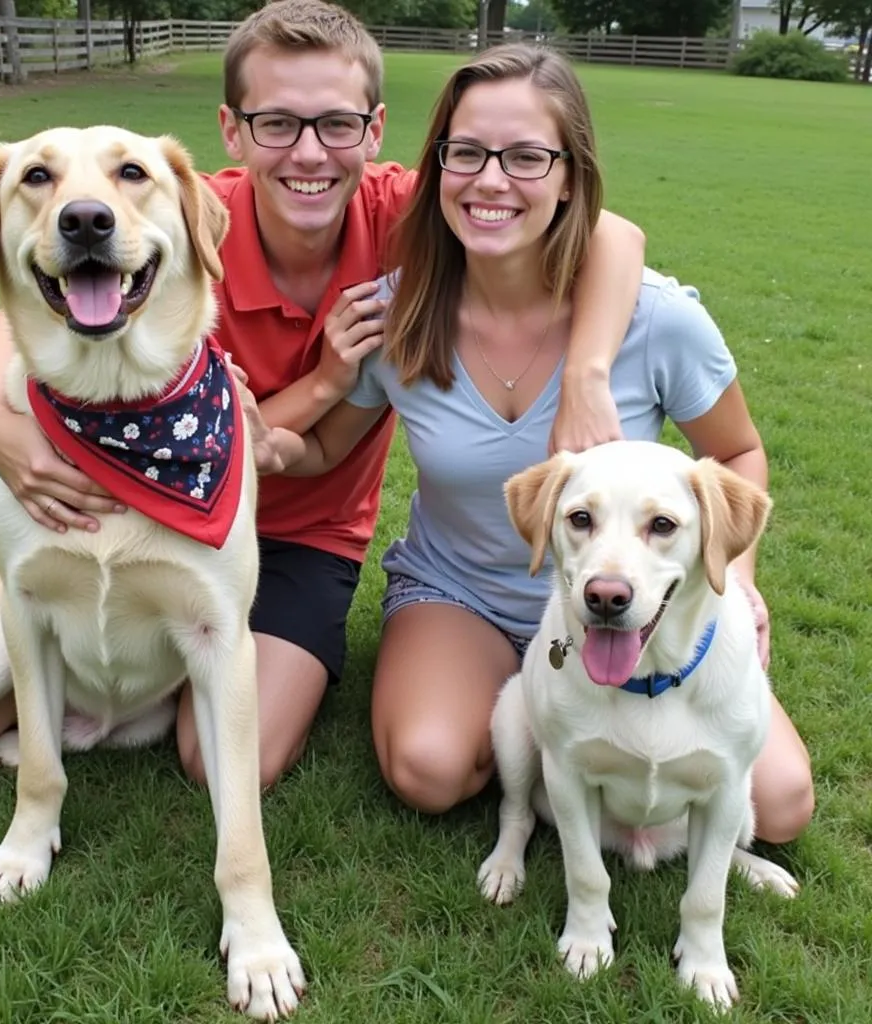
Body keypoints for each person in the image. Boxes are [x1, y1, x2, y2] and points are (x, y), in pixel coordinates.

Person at [0, 1, 647, 789]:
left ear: (374, 130)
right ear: (232, 128)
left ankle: (187, 671)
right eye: (276, 124)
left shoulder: (408, 215)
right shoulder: (184, 213)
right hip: (161, 517)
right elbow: (21, 320)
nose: (309, 154)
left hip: (303, 536)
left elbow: (608, 233)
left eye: (336, 125)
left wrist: (588, 371)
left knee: (217, 761)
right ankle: (149, 665)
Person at [279, 42, 814, 844]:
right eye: (466, 152)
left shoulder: (656, 320)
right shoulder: (397, 319)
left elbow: (737, 455)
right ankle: (534, 723)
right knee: (429, 767)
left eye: (528, 156)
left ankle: (575, 730)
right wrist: (296, 414)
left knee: (777, 807)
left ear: (571, 176)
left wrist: (734, 579)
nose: (491, 180)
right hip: (464, 595)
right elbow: (323, 450)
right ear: (437, 167)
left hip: (633, 603)